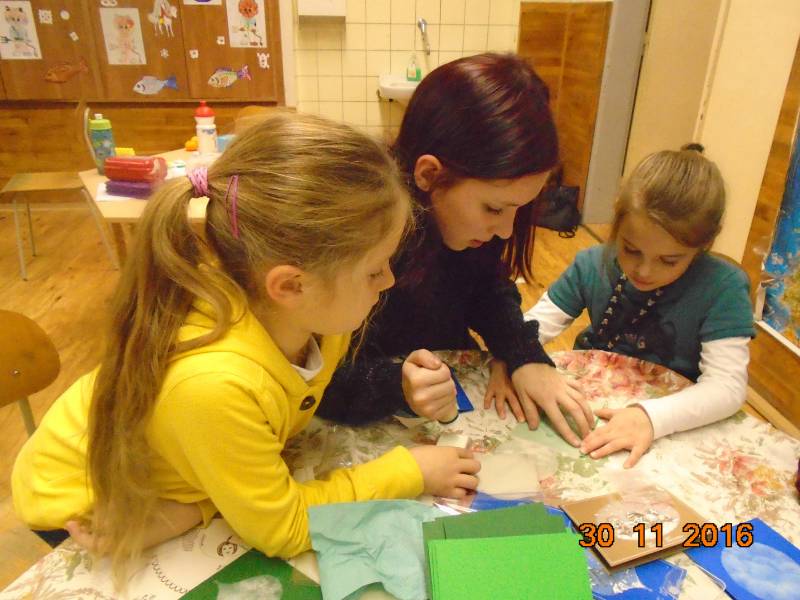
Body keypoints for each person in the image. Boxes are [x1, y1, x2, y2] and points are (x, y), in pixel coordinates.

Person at [11, 113, 480, 582]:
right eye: (375, 269)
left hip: (189, 463)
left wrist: (202, 505)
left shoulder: (310, 318)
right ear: (291, 285)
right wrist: (410, 471)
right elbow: (283, 528)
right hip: (86, 501)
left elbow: (299, 398)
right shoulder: (213, 384)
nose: (389, 281)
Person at [317, 52, 594, 447]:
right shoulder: (359, 236)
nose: (506, 230)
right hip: (362, 410)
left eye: (520, 209)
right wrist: (397, 385)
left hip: (445, 386)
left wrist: (522, 354)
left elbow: (487, 289)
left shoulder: (467, 226)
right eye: (494, 209)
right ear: (429, 174)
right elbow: (315, 380)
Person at [524, 144, 754, 467]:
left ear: (705, 244)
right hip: (591, 409)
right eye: (631, 249)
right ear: (617, 222)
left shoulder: (723, 288)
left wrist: (650, 417)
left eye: (669, 260)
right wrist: (518, 358)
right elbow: (532, 328)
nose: (644, 271)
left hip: (671, 422)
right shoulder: (592, 264)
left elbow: (727, 387)